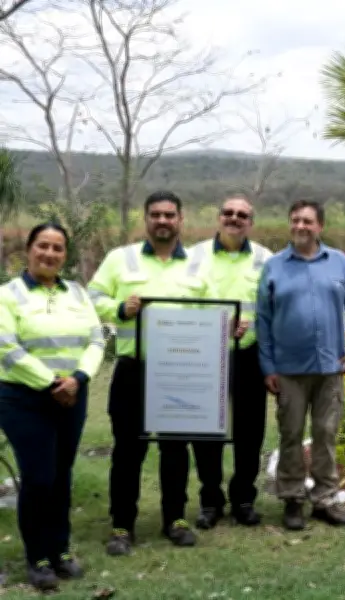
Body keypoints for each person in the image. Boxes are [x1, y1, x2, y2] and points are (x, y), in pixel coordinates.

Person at [87, 191, 217, 556]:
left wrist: (229, 326)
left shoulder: (198, 265)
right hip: (134, 370)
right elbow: (91, 299)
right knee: (128, 451)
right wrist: (118, 308)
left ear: (181, 220)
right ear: (146, 219)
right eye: (156, 215)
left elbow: (216, 310)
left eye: (170, 215)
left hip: (180, 371)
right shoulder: (119, 259)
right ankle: (121, 525)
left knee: (175, 449)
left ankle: (174, 518)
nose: (163, 221)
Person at [0, 223, 105, 591]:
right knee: (39, 477)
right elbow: (6, 348)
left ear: (65, 255)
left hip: (73, 395)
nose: (49, 254)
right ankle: (38, 557)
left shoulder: (76, 292)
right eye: (43, 246)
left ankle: (60, 551)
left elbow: (96, 339)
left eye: (58, 248)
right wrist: (51, 382)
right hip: (24, 398)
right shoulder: (8, 295)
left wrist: (77, 378)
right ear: (28, 250)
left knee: (62, 476)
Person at [256, 199, 345, 531]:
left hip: (330, 369)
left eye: (307, 221)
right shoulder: (275, 266)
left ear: (320, 226)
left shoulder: (339, 264)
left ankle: (324, 500)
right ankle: (292, 499)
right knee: (290, 435)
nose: (300, 226)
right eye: (295, 220)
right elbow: (263, 320)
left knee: (325, 434)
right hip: (288, 371)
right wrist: (267, 367)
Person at [189, 194, 272, 529]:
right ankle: (210, 500)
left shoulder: (267, 258)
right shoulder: (193, 256)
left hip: (249, 356)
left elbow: (272, 307)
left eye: (242, 214)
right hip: (207, 354)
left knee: (250, 431)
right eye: (228, 213)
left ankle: (244, 498)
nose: (234, 218)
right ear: (218, 217)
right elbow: (183, 300)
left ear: (250, 222)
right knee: (206, 429)